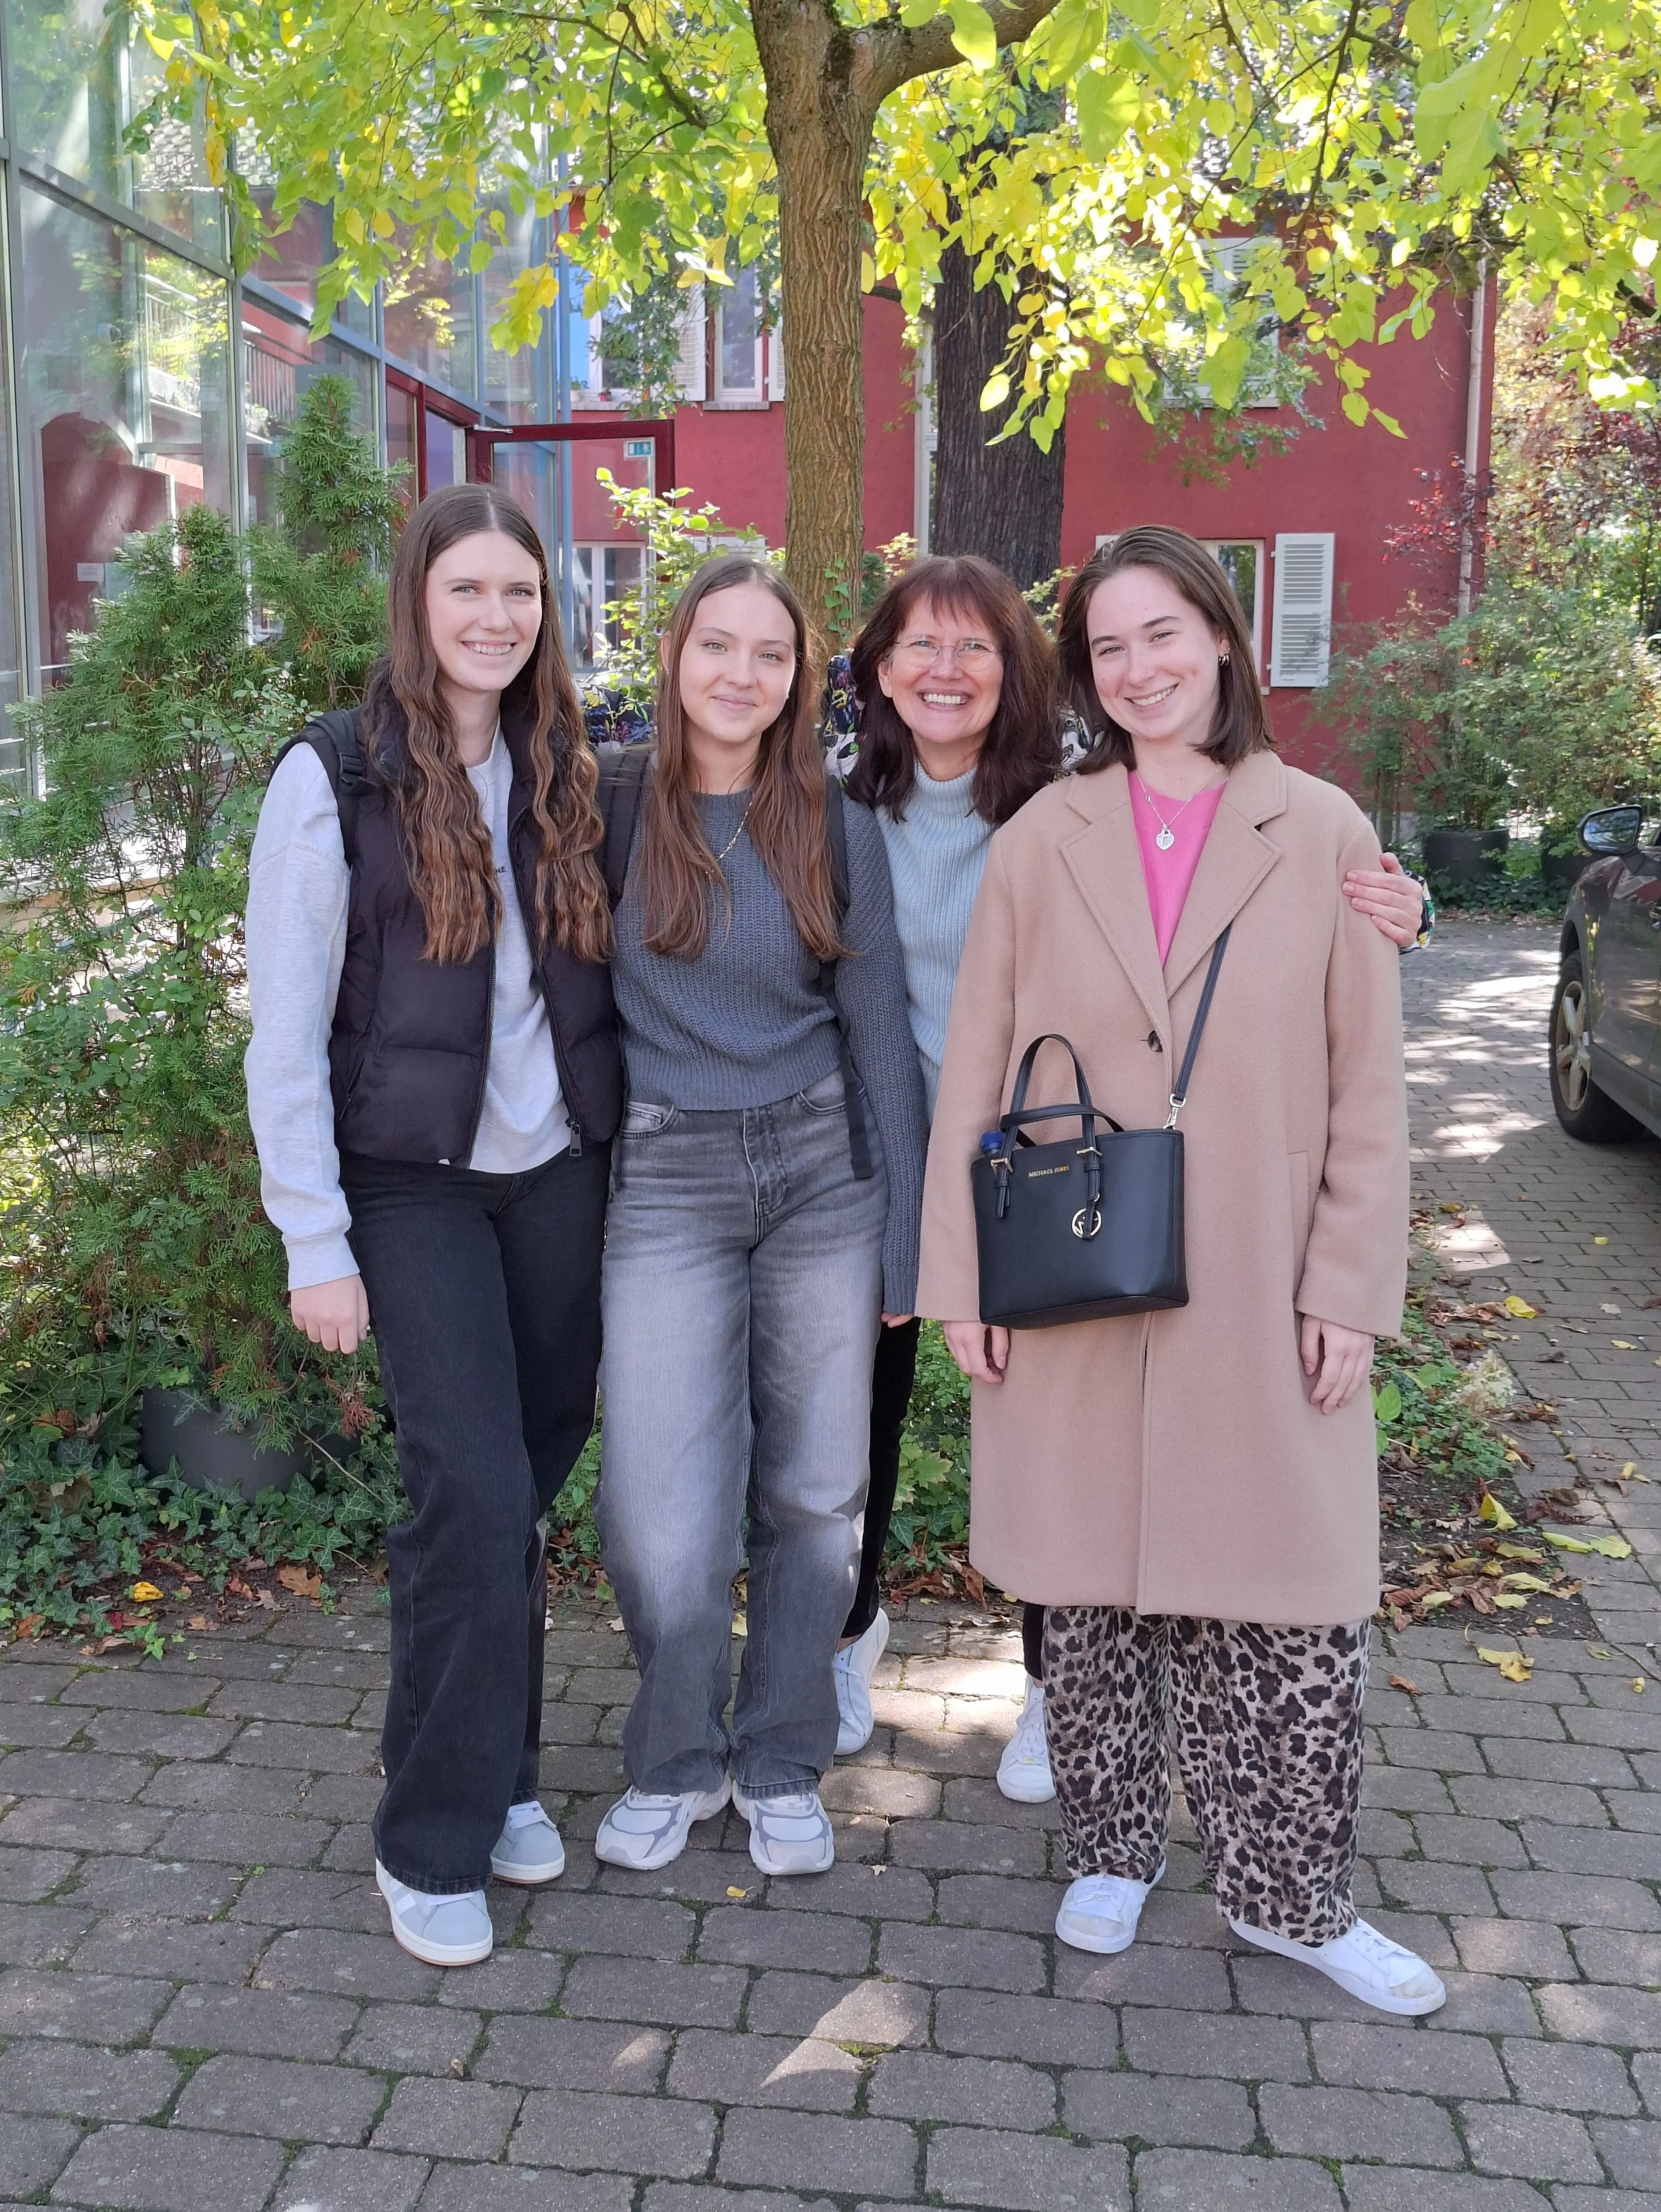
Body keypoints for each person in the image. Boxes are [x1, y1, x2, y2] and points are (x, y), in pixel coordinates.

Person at [915, 525, 1445, 2016]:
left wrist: (1351, 1283)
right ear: (1087, 677)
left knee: (1289, 1597)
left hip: (1264, 1275)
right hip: (1074, 1259)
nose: (1140, 669)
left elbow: (1368, 1089)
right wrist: (959, 1275)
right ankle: (1108, 1847)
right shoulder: (1043, 839)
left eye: (1165, 634)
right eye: (1109, 648)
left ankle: (1293, 1897)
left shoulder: (1325, 830)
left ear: (1223, 637)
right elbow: (974, 1068)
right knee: (1085, 1585)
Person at [245, 484, 618, 1968]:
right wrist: (311, 1238)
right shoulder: (333, 778)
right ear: (420, 602)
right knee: (464, 1490)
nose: (495, 618)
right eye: (468, 590)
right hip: (409, 1182)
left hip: (559, 1178)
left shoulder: (564, 768)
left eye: (519, 593)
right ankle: (432, 1840)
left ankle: (495, 1765)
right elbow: (283, 1034)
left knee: (515, 1492)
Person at [592, 554, 927, 1879]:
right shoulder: (611, 806)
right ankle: (674, 1756)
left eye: (771, 655)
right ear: (676, 658)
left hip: (818, 1173)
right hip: (665, 1175)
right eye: (717, 646)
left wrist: (903, 1231)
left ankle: (782, 1757)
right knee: (660, 1514)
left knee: (816, 1492)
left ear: (804, 679)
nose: (742, 674)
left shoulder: (836, 822)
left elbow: (881, 1033)